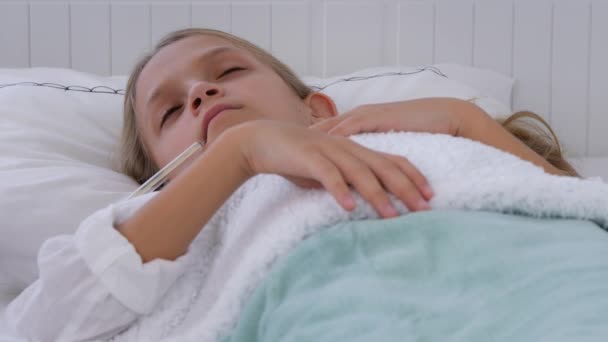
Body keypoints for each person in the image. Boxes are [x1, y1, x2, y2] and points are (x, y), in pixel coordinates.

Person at [6, 28, 579, 341]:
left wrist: (468, 121)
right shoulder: (169, 236)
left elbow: (577, 214)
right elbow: (37, 327)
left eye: (226, 71)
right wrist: (237, 154)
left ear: (316, 108)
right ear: (162, 177)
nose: (201, 94)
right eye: (169, 112)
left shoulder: (426, 137)